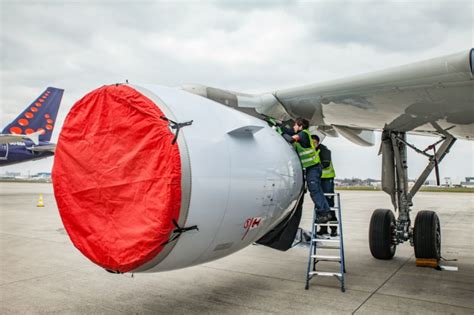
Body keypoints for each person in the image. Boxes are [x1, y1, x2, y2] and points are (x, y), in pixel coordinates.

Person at [282, 118, 331, 223]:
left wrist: (282, 133)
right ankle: (325, 212)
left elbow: (290, 139)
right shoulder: (302, 135)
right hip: (311, 168)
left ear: (300, 126)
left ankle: (324, 213)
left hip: (313, 168)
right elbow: (291, 134)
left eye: (295, 125)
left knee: (314, 190)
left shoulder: (303, 134)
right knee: (316, 190)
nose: (294, 127)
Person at [312, 134, 338, 237]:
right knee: (320, 204)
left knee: (329, 205)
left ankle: (333, 229)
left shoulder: (324, 150)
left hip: (327, 180)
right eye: (311, 142)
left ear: (318, 142)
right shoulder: (312, 151)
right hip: (318, 180)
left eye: (314, 142)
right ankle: (323, 229)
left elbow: (326, 163)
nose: (313, 144)